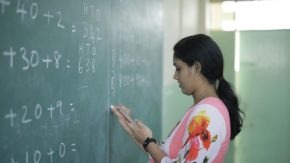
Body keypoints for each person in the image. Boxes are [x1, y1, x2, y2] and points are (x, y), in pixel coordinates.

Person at [111, 34, 244, 163]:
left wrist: (148, 142)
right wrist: (135, 130)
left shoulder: (208, 114)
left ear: (197, 68)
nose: (175, 76)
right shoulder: (205, 108)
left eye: (178, 69)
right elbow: (171, 157)